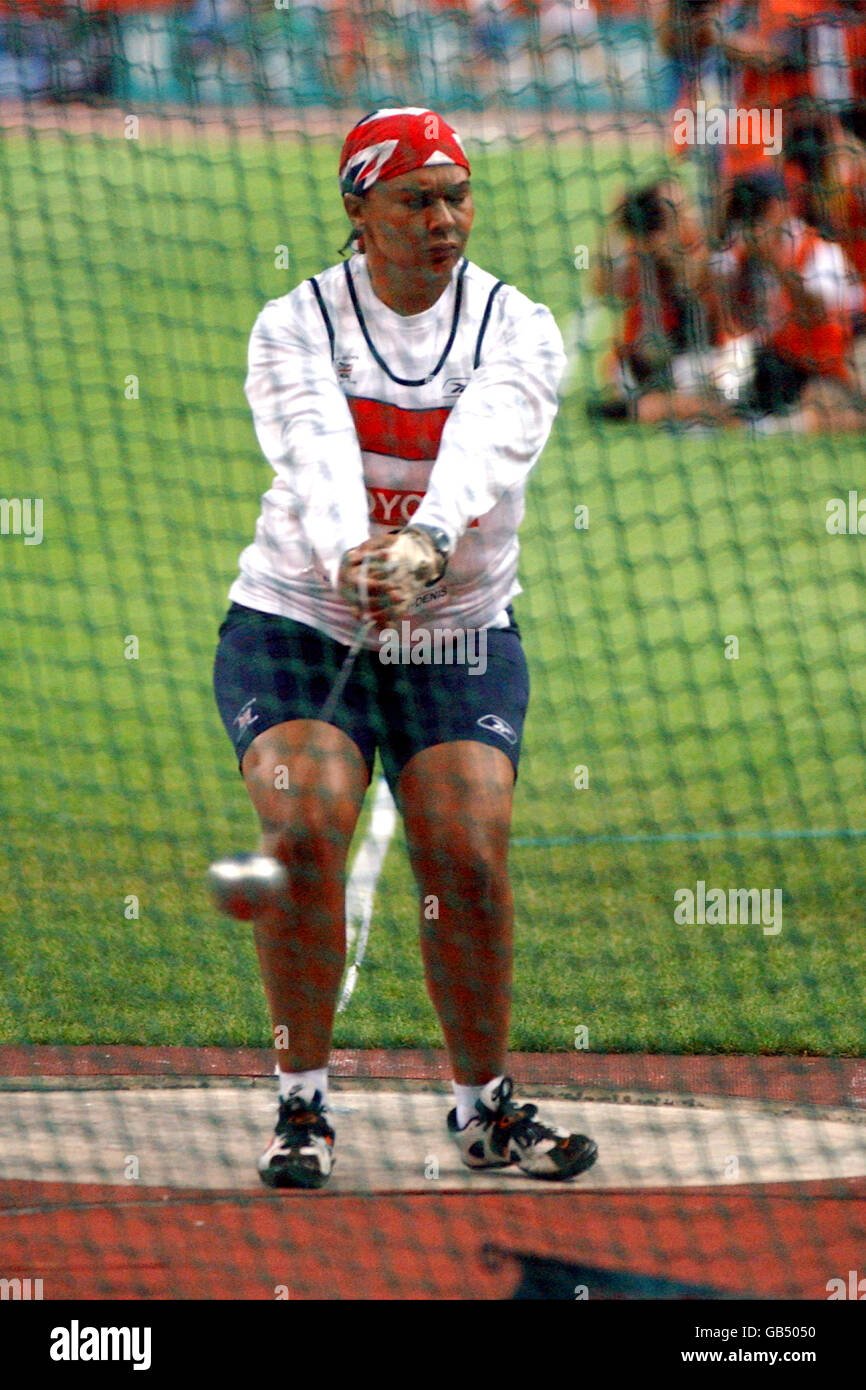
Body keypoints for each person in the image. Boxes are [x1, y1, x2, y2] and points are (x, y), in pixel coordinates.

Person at [213, 106, 599, 1189]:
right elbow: (312, 447)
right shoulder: (295, 323)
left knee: (465, 855)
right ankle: (302, 1107)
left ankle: (484, 1110)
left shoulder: (513, 325)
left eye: (456, 196)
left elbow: (493, 440)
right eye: (414, 200)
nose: (443, 219)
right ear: (358, 209)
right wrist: (353, 556)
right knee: (303, 830)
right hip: (301, 618)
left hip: (459, 630)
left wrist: (425, 543)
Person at [719, 170, 866, 430]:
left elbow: (817, 314)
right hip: (776, 367)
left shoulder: (819, 250)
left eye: (758, 211)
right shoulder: (741, 257)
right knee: (722, 380)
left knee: (825, 404)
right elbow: (733, 319)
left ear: (779, 208)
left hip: (833, 365)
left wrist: (777, 264)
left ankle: (770, 427)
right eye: (746, 215)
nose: (752, 222)